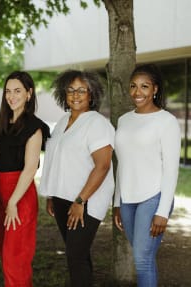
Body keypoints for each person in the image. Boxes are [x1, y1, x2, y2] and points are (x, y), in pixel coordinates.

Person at [39, 70, 115, 286]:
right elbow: (58, 160)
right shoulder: (63, 121)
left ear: (92, 94)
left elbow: (102, 166)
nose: (75, 94)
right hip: (63, 198)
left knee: (75, 256)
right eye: (70, 90)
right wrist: (52, 194)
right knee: (79, 255)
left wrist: (80, 201)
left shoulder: (97, 124)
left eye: (82, 90)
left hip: (85, 202)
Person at [113, 64, 181, 286]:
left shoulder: (166, 121)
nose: (137, 92)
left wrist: (163, 211)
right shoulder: (123, 120)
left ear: (155, 89)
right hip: (127, 200)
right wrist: (117, 203)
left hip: (153, 197)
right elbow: (121, 163)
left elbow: (171, 169)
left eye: (144, 86)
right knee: (143, 257)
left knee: (142, 260)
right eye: (133, 86)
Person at [0, 71, 50, 287]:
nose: (11, 96)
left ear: (29, 93)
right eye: (8, 91)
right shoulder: (1, 123)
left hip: (19, 197)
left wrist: (13, 202)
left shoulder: (34, 127)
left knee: (15, 259)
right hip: (0, 195)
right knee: (5, 252)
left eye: (17, 91)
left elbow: (29, 169)